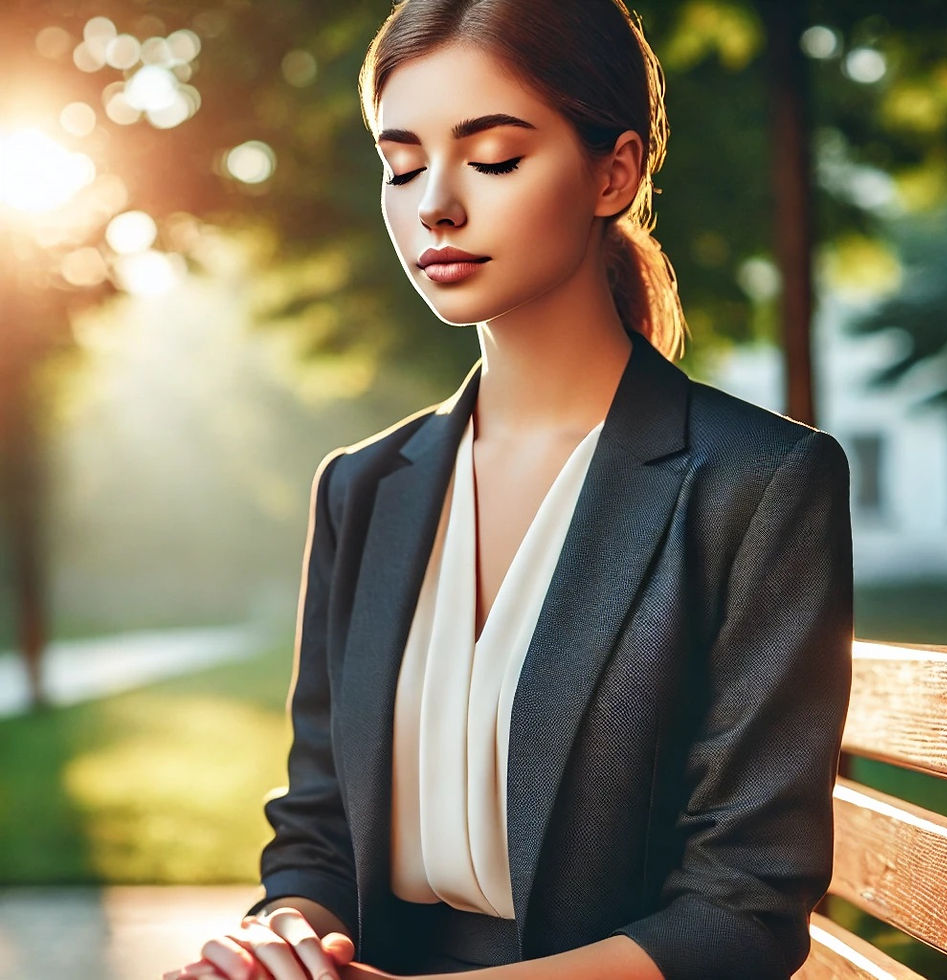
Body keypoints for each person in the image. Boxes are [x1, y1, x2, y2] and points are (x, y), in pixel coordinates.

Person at [163, 0, 853, 977]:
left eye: (490, 157)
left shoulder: (758, 484)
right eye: (399, 165)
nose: (434, 204)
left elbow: (740, 908)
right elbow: (317, 834)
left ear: (612, 172)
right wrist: (280, 944)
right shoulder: (361, 489)